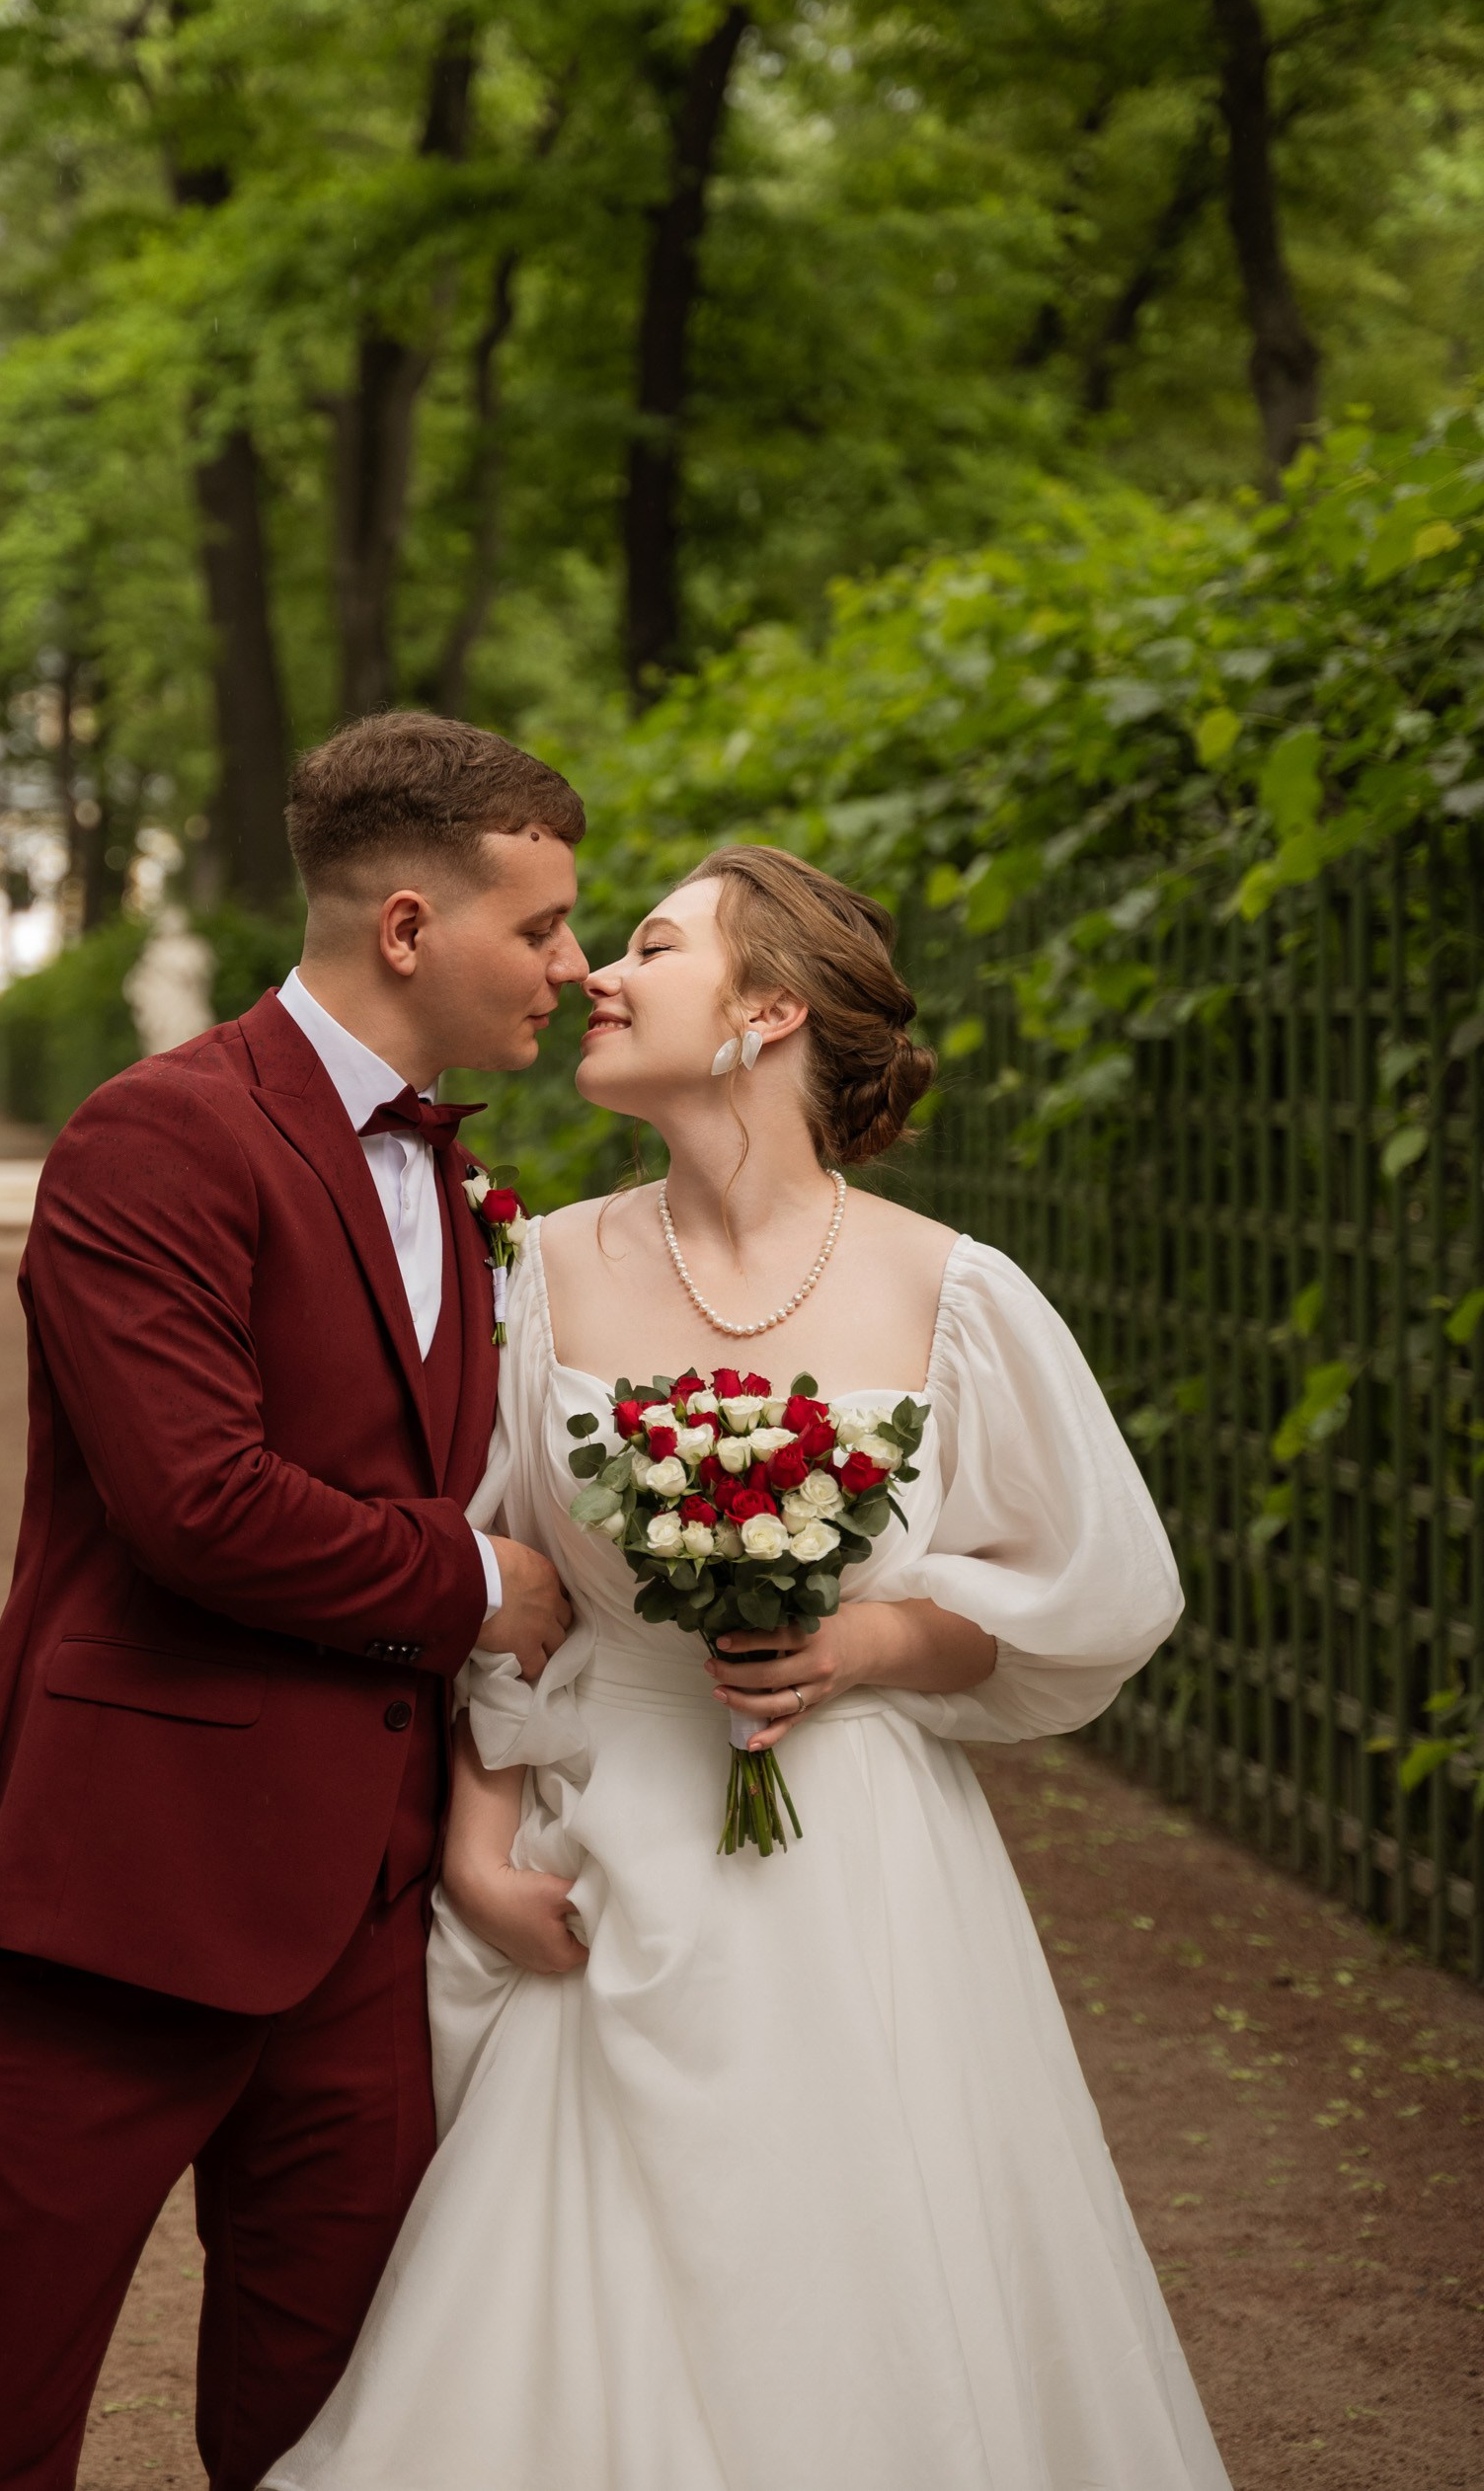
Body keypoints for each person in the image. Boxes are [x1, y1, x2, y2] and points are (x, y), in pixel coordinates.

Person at [273, 844, 1232, 2491]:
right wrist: (478, 1839)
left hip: (859, 1858)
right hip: (604, 1845)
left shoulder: (954, 1291)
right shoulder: (535, 1272)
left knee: (868, 2271)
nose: (596, 974)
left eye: (650, 946)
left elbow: (1101, 1586)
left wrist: (868, 1640)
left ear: (770, 1008)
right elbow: (505, 1574)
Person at [0, 712, 588, 2491]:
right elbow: (198, 1505)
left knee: (334, 2416)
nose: (573, 970)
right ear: (407, 925)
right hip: (123, 1891)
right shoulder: (155, 1138)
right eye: (545, 926)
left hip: (366, 1910)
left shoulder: (468, 1175)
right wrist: (481, 1581)